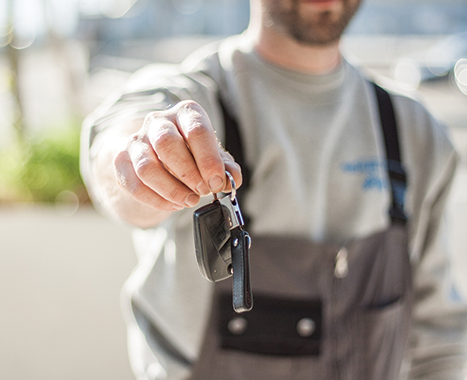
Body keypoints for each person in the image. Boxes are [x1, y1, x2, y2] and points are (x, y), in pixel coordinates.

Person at [80, 0, 467, 378]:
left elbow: (438, 338)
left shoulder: (415, 133)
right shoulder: (197, 95)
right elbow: (120, 148)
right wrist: (147, 161)